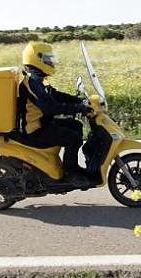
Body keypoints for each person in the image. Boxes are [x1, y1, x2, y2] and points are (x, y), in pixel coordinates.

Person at [17, 41, 92, 187]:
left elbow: (55, 95)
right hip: (34, 131)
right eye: (47, 59)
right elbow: (50, 107)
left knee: (76, 125)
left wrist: (79, 101)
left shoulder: (38, 80)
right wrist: (78, 109)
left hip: (43, 123)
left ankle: (73, 167)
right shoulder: (31, 83)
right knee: (72, 137)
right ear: (37, 59)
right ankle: (70, 174)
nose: (51, 62)